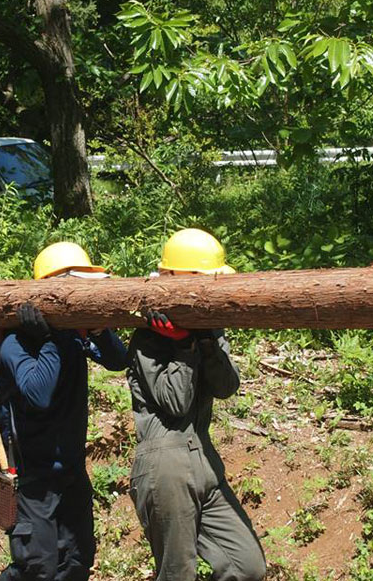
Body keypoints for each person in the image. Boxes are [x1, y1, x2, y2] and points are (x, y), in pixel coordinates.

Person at [127, 228, 266, 581]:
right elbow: (175, 401)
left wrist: (206, 341)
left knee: (247, 567)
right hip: (165, 463)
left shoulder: (206, 329)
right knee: (177, 575)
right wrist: (182, 347)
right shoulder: (147, 337)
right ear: (173, 279)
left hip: (204, 458)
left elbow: (226, 386)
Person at [0, 242, 129, 581]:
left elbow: (118, 360)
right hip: (33, 479)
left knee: (78, 559)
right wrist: (51, 340)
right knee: (37, 567)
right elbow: (37, 394)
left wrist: (97, 328)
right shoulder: (15, 342)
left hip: (70, 469)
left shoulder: (74, 336)